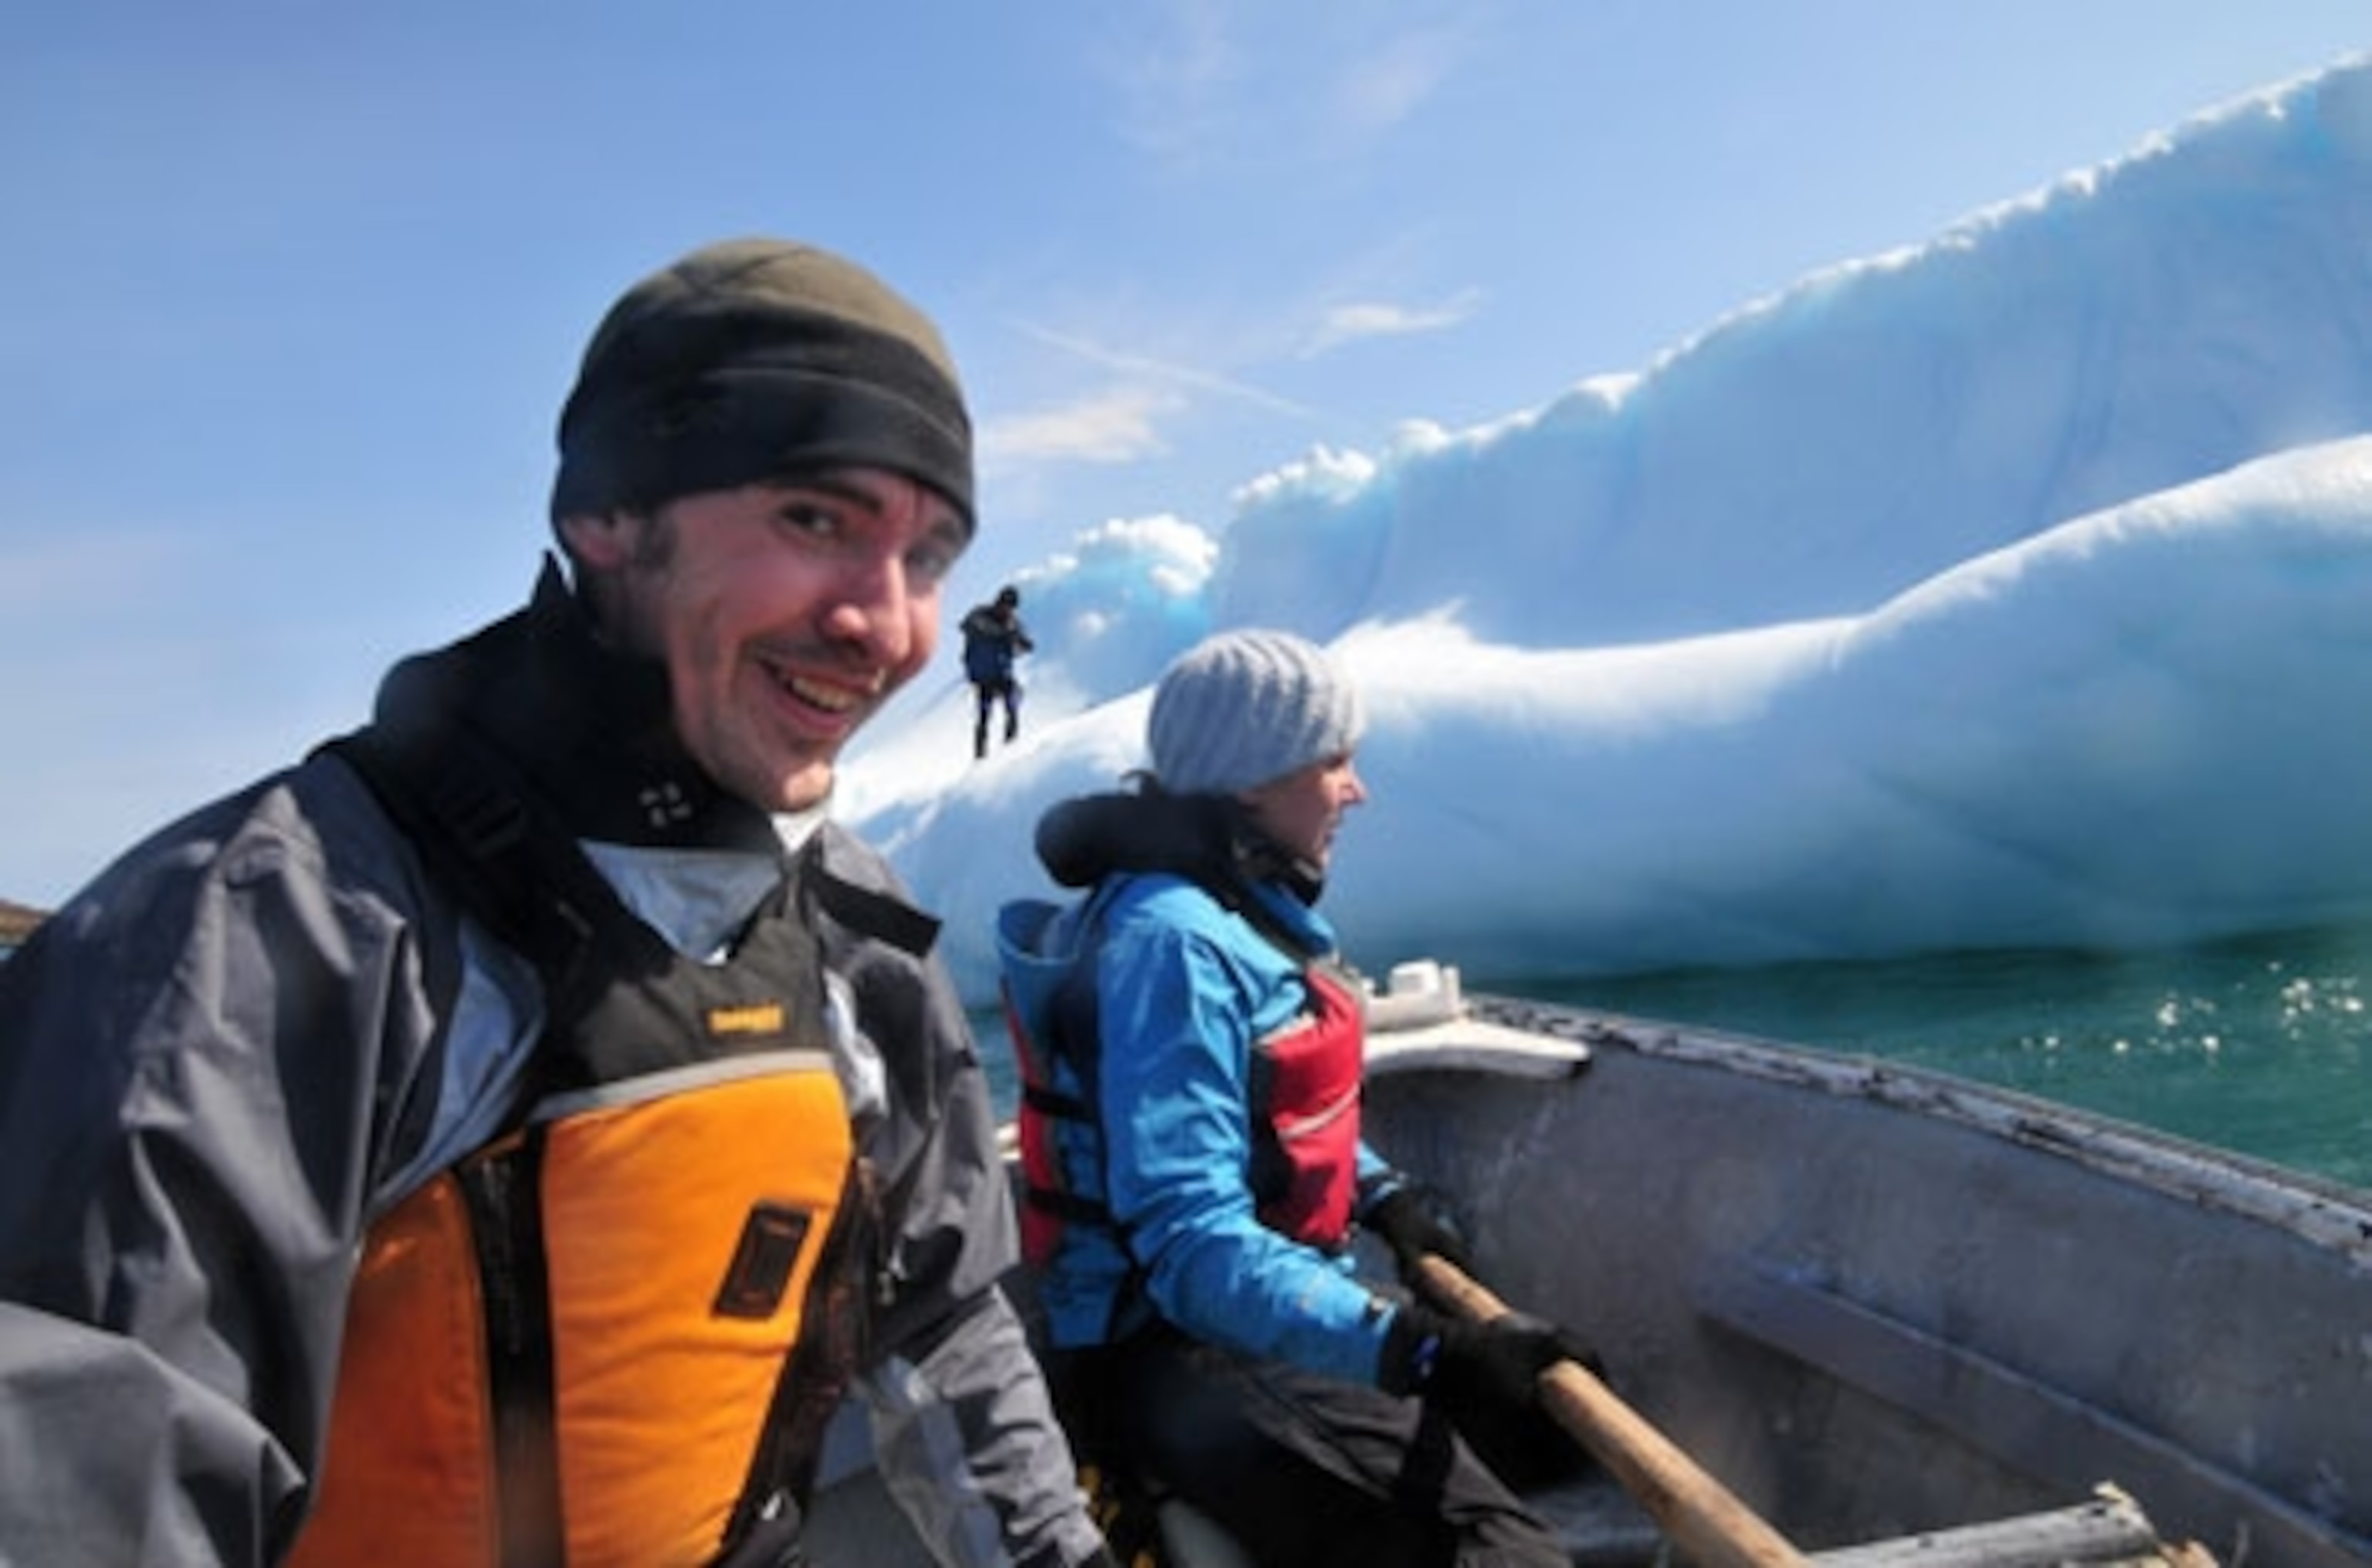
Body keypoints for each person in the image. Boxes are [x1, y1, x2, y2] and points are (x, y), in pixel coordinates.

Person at [0, 239, 1115, 1568]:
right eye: (814, 519)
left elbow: (941, 1326)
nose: (886, 625)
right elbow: (83, 1482)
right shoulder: (281, 939)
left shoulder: (852, 937)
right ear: (607, 517)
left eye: (926, 554)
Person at [995, 629, 1585, 1568]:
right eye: (1334, 761)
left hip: (1239, 1317)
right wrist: (1424, 1350)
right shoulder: (1174, 946)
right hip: (1182, 1353)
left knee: (1549, 1438)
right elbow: (1190, 1249)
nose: (1358, 789)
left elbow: (1256, 1117)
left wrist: (1381, 1197)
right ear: (1252, 785)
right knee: (1504, 1556)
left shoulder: (1214, 913)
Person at [961, 584, 1035, 758]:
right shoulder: (981, 615)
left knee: (1011, 709)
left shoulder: (1012, 623)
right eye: (1007, 605)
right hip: (984, 677)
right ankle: (980, 756)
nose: (1008, 609)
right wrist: (1001, 635)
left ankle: (1009, 751)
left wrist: (1023, 643)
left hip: (1001, 675)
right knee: (985, 717)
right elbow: (968, 626)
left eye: (1011, 606)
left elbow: (1021, 644)